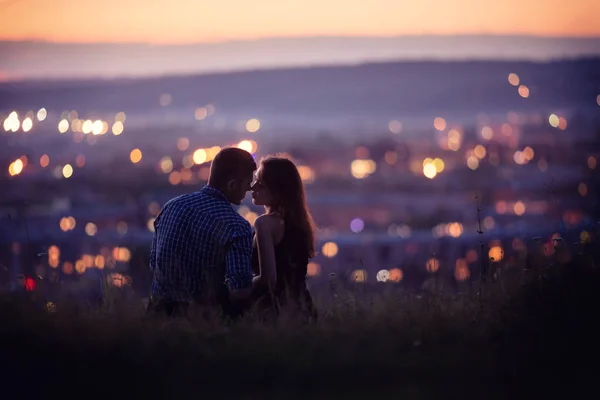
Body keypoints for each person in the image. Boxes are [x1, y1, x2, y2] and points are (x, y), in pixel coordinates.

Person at [147, 147, 256, 318]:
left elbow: (154, 263)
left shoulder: (171, 206)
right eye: (247, 184)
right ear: (232, 185)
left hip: (157, 317)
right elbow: (240, 291)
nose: (248, 190)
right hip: (203, 323)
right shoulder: (236, 226)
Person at [249, 155, 318, 322]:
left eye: (261, 183)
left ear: (278, 189)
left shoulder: (264, 223)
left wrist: (237, 288)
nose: (253, 186)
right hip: (303, 309)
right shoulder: (299, 224)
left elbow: (268, 279)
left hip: (275, 312)